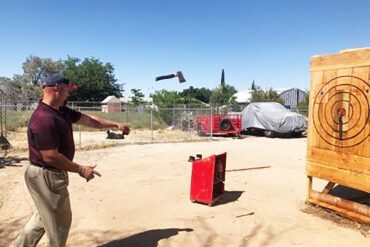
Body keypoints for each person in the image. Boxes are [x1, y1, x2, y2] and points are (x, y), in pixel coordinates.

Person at [11, 74, 130, 247]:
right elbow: (50, 156)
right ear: (58, 87)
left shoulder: (61, 111)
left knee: (42, 219)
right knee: (59, 224)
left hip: (46, 174)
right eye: (68, 90)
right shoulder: (44, 118)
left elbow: (91, 120)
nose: (69, 94)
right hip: (47, 176)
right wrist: (81, 169)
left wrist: (115, 125)